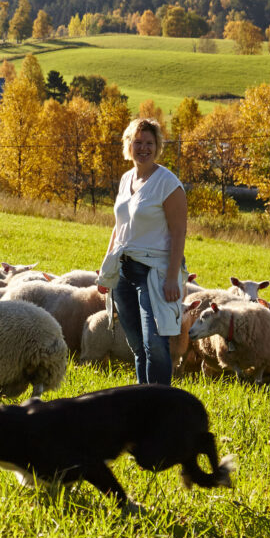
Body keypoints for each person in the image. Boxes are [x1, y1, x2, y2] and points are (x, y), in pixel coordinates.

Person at [98, 117, 187, 386]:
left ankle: (160, 409)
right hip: (124, 271)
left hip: (154, 272)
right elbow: (119, 226)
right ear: (128, 145)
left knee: (156, 346)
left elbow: (178, 233)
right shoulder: (126, 179)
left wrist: (172, 278)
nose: (144, 148)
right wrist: (106, 268)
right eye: (138, 142)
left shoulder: (168, 184)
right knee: (136, 345)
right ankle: (143, 402)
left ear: (158, 146)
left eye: (149, 143)